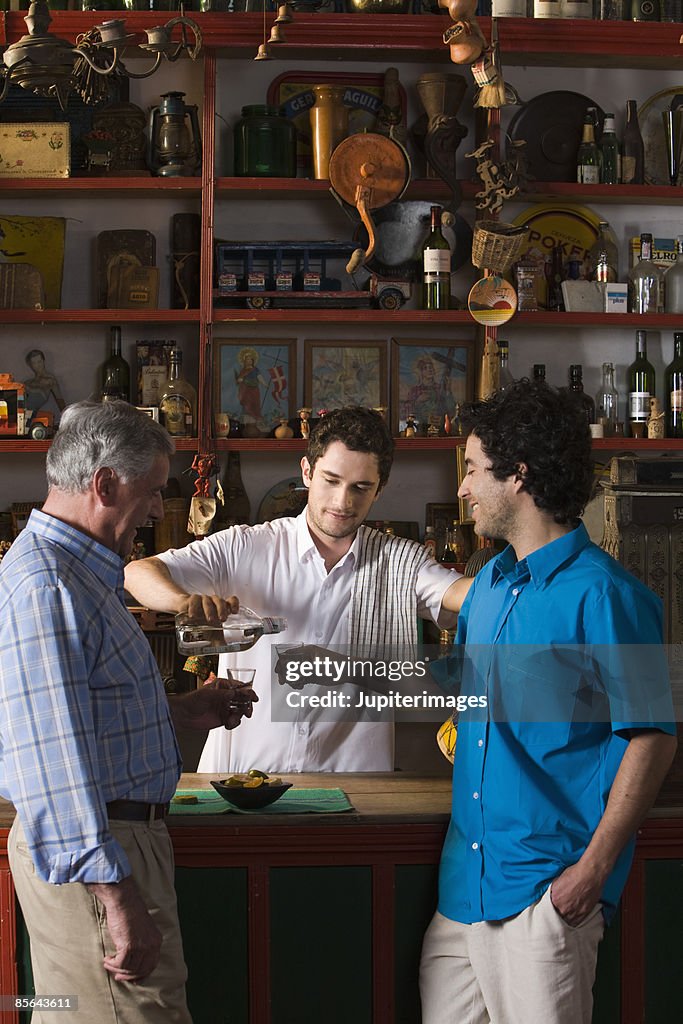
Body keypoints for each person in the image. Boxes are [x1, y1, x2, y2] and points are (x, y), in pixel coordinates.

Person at [419, 379, 677, 1024]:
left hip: (546, 896)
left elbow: (652, 736)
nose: (463, 487)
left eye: (474, 469)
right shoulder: (487, 589)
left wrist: (592, 872)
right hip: (461, 893)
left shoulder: (609, 596)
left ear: (518, 476)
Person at [0, 401, 256, 1024]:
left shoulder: (79, 575)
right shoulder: (48, 584)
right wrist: (115, 896)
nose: (156, 510)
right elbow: (49, 759)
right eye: (153, 492)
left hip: (114, 843)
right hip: (103, 852)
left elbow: (81, 715)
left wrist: (178, 712)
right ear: (106, 484)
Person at [125, 406, 472, 773]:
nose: (342, 502)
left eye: (361, 487)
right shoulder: (245, 547)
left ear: (379, 489)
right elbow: (138, 572)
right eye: (331, 480)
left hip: (354, 794)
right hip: (239, 787)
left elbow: (467, 596)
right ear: (307, 471)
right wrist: (185, 601)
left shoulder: (401, 563)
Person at [22, 348, 66, 415]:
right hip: (19, 412)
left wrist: (66, 418)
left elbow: (60, 401)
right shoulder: (28, 382)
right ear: (31, 365)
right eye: (34, 363)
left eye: (39, 361)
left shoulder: (50, 380)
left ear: (43, 361)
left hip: (29, 415)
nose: (38, 365)